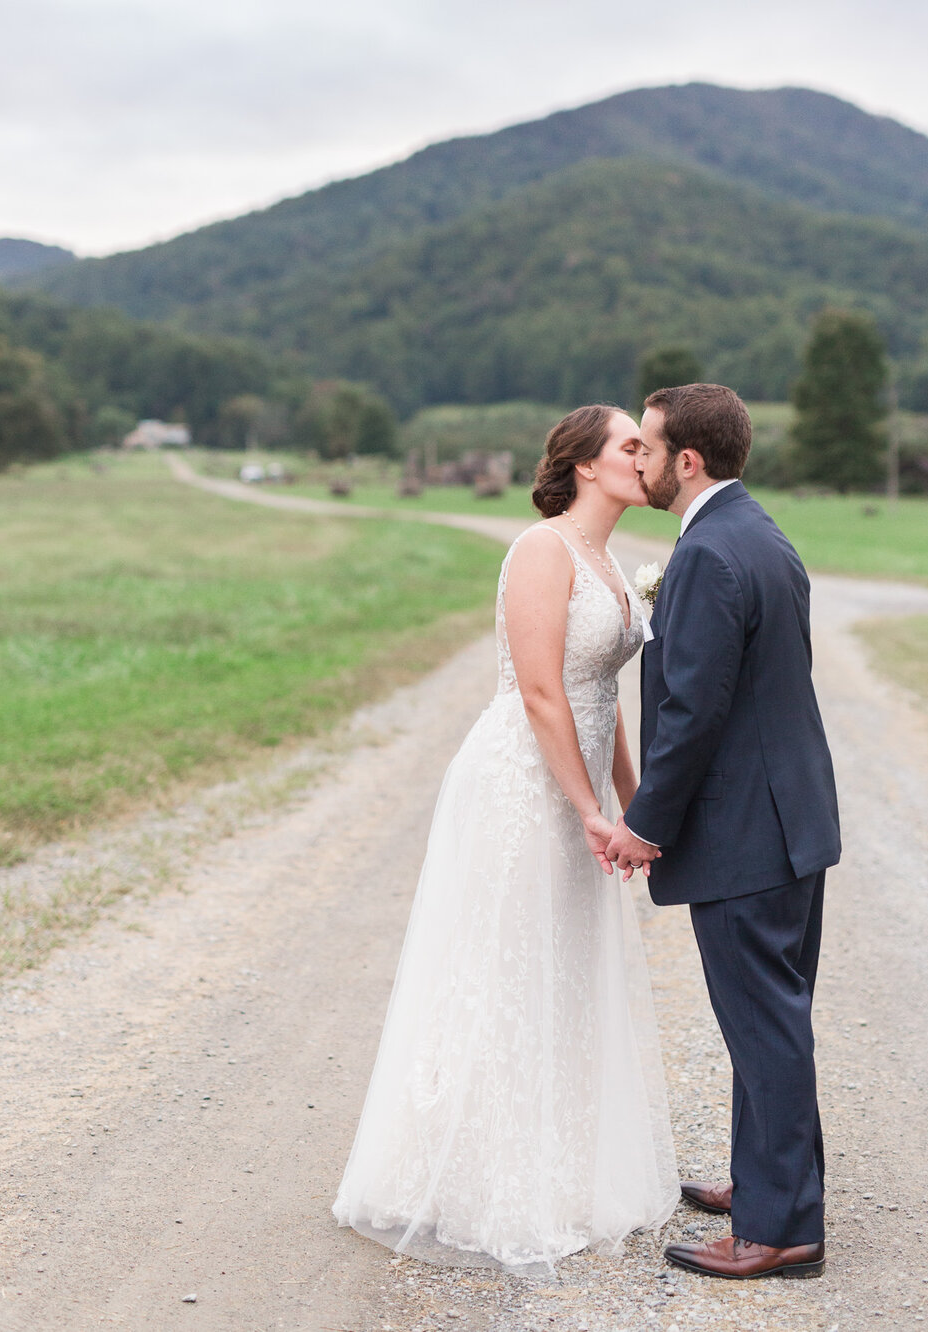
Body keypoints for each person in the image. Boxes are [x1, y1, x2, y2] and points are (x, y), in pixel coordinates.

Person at [333, 405, 679, 1276]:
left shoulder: (604, 560)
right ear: (585, 466)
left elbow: (600, 696)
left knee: (561, 963)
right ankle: (464, 1179)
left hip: (583, 783)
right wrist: (587, 808)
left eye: (646, 445)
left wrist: (635, 804)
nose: (645, 457)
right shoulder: (542, 550)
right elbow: (538, 694)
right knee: (503, 963)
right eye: (629, 446)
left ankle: (554, 1165)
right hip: (524, 785)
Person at [603, 383, 840, 1281]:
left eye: (650, 448)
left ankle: (781, 1231)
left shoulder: (707, 553)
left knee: (766, 1026)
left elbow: (694, 709)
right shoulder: (761, 534)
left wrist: (643, 823)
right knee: (770, 1021)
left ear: (687, 460)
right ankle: (765, 1185)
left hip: (747, 830)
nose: (642, 462)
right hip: (792, 821)